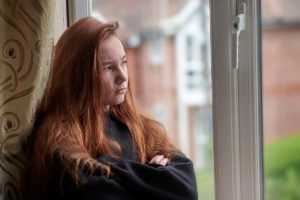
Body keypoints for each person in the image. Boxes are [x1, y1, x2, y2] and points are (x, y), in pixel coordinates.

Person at [21, 17, 198, 200]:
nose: (122, 76)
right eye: (108, 68)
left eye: (123, 62)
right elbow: (94, 192)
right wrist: (155, 176)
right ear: (79, 76)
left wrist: (110, 170)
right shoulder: (58, 136)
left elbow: (187, 187)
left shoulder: (136, 126)